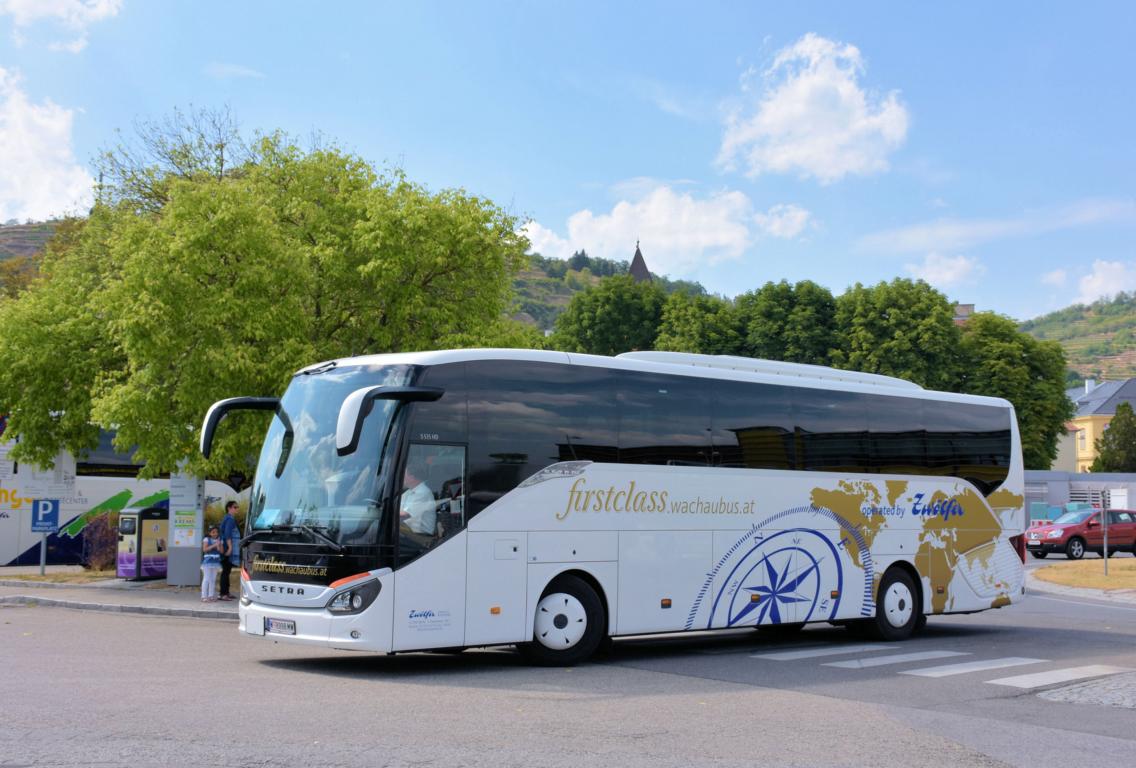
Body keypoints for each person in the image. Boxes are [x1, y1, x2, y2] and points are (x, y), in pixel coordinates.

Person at [399, 466, 437, 536]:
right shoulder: (409, 492)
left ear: (412, 478)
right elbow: (396, 507)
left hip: (422, 536)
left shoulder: (423, 492)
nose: (401, 477)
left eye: (404, 475)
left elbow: (405, 514)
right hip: (408, 530)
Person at [218, 501, 240, 601]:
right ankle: (223, 594)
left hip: (226, 548)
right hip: (227, 549)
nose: (237, 509)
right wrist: (230, 547)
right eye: (235, 507)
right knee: (226, 571)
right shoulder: (230, 519)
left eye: (237, 507)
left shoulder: (228, 518)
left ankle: (226, 592)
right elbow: (227, 534)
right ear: (229, 508)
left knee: (227, 571)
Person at [200, 525, 223, 602]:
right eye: (213, 532)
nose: (215, 534)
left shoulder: (219, 540)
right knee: (206, 578)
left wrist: (219, 546)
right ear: (210, 533)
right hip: (208, 562)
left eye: (216, 532)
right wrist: (214, 545)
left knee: (213, 579)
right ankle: (204, 596)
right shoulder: (206, 539)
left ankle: (211, 596)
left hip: (216, 562)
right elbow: (205, 549)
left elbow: (221, 551)